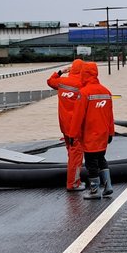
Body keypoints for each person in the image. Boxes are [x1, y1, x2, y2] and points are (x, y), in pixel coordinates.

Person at [69, 62, 115, 200]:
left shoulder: (84, 93)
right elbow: (110, 116)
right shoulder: (106, 92)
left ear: (84, 74)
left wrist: (73, 135)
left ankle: (94, 191)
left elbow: (78, 117)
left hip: (90, 135)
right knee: (101, 159)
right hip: (103, 134)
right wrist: (111, 132)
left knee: (91, 163)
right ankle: (108, 186)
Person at [46, 59, 85, 191]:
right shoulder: (82, 84)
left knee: (71, 153)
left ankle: (73, 178)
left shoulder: (62, 83)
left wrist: (61, 71)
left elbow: (49, 81)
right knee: (77, 155)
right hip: (76, 127)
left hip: (64, 125)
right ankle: (73, 183)